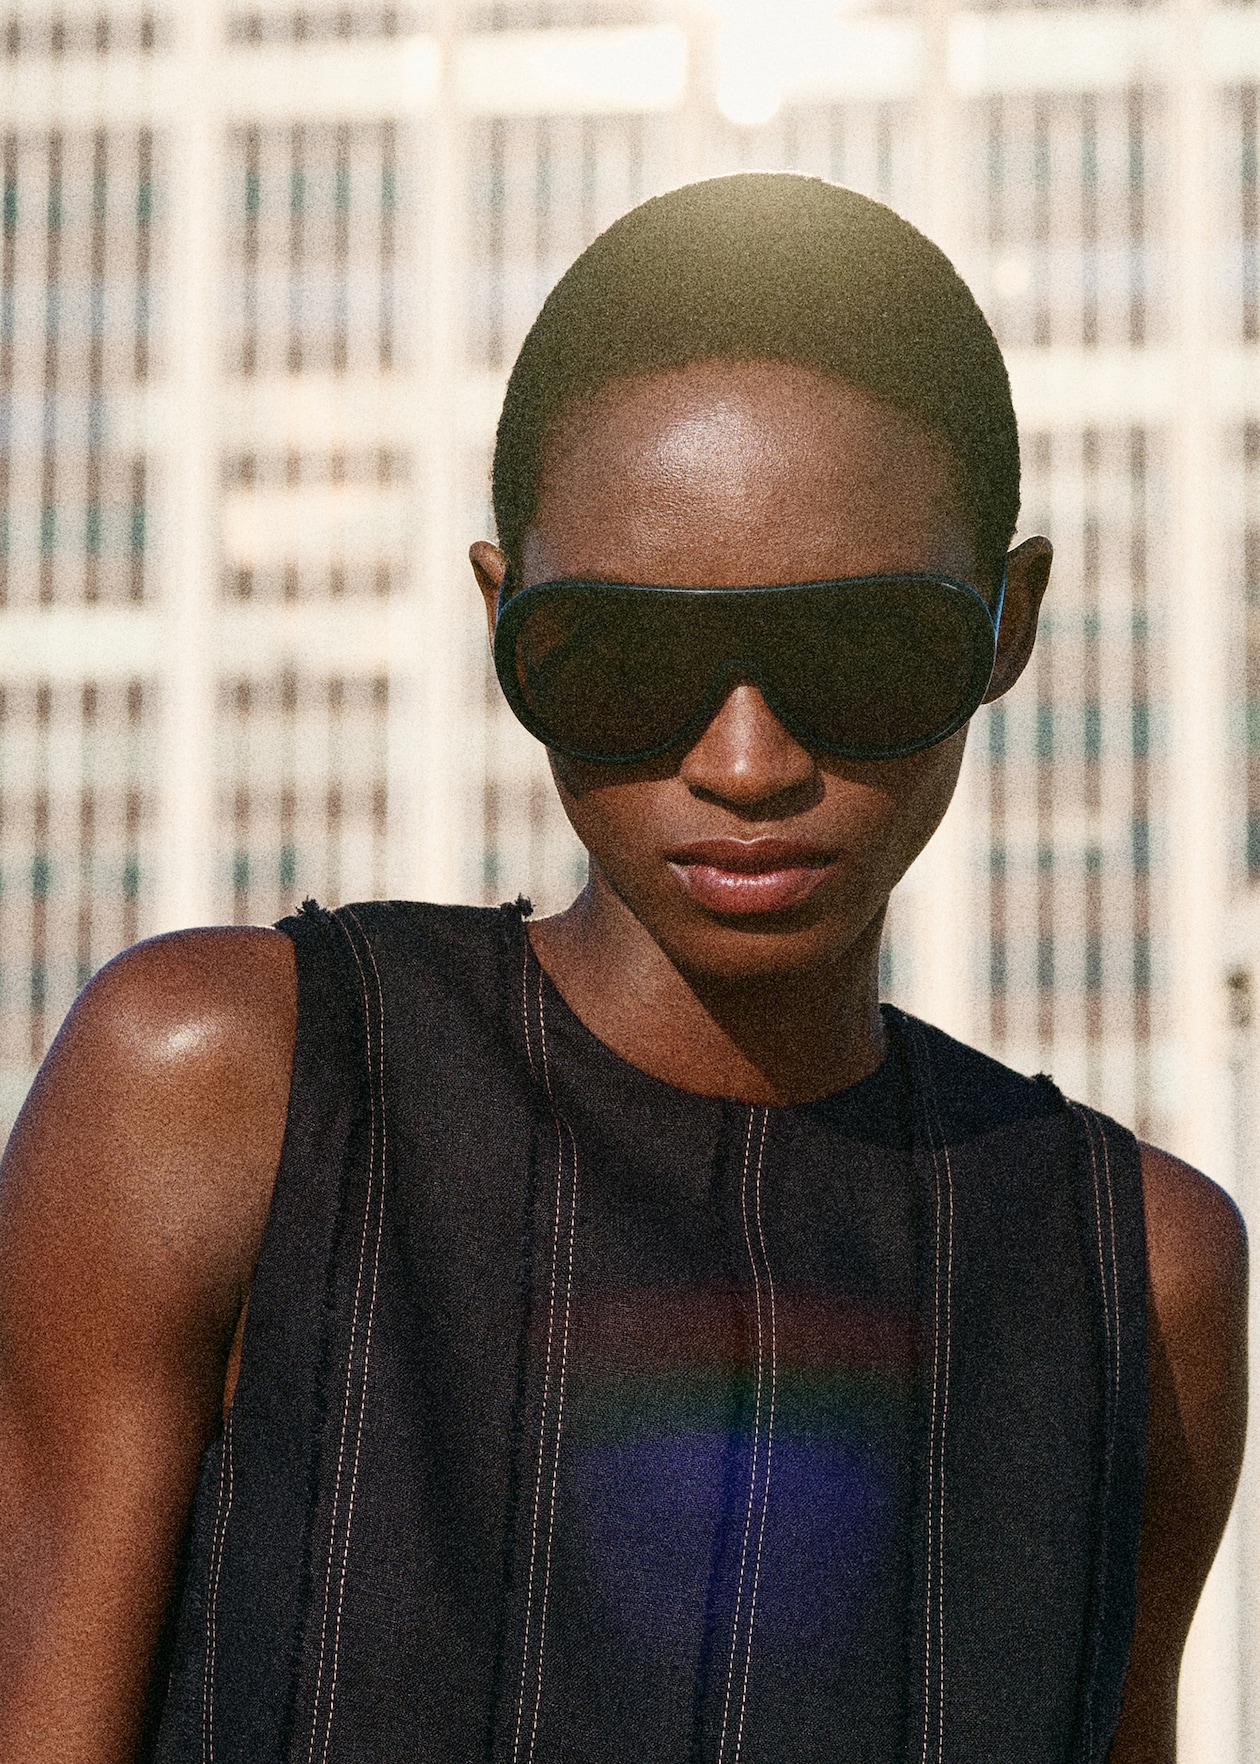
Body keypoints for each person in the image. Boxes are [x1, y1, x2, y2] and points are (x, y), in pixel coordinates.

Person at [0, 173, 1246, 1764]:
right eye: (626, 658)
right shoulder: (227, 1086)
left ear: (1008, 625)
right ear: (502, 617)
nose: (744, 759)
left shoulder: (1138, 1273)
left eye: (861, 647)